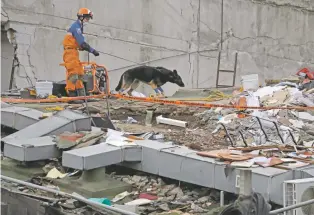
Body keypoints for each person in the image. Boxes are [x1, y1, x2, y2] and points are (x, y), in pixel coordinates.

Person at [62, 8, 100, 97]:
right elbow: (82, 43)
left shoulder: (79, 27)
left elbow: (78, 43)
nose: (88, 20)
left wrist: (80, 47)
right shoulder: (76, 27)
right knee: (73, 74)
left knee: (80, 74)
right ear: (82, 17)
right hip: (69, 53)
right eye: (87, 18)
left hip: (74, 52)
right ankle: (71, 94)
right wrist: (92, 50)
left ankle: (82, 95)